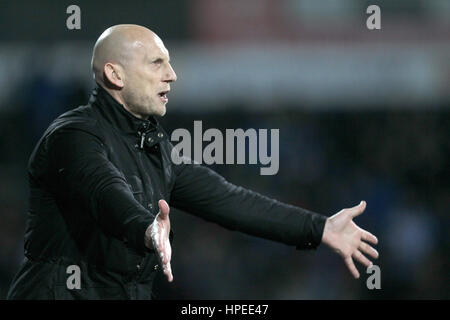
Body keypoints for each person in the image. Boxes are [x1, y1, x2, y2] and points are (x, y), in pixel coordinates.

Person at [7, 25, 378, 300]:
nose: (172, 74)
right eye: (157, 63)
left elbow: (228, 201)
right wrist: (146, 230)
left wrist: (319, 227)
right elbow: (106, 192)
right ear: (114, 74)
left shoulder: (153, 147)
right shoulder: (73, 136)